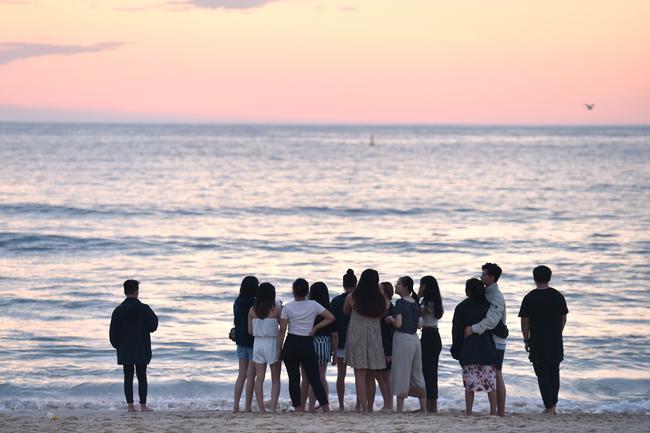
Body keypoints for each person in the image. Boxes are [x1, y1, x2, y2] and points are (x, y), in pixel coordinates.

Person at [277, 278, 334, 412]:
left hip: (291, 343)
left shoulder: (288, 307)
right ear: (307, 291)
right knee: (314, 378)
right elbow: (331, 317)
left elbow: (282, 330)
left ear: (293, 291)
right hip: (307, 343)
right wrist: (315, 329)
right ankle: (326, 408)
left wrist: (279, 348)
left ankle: (298, 408)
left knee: (294, 378)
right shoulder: (313, 305)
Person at [519, 266, 568, 415]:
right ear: (550, 277)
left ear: (534, 278)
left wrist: (526, 340)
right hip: (555, 340)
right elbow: (563, 318)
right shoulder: (558, 296)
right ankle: (552, 406)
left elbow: (525, 322)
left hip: (537, 340)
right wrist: (557, 333)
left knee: (542, 373)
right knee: (554, 372)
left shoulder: (529, 297)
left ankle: (549, 407)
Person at [451, 278, 505, 416]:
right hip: (486, 348)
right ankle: (493, 412)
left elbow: (456, 332)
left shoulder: (461, 307)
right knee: (490, 384)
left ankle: (469, 412)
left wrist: (456, 350)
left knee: (470, 385)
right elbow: (497, 327)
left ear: (468, 291)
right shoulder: (487, 306)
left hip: (468, 349)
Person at [464, 263, 508, 416]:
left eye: (484, 274)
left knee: (497, 374)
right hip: (488, 340)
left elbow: (492, 320)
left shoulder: (496, 296)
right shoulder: (486, 293)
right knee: (494, 375)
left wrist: (473, 329)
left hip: (497, 341)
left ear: (492, 277)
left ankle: (500, 412)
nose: (481, 277)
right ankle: (497, 411)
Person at [109, 279, 158, 412]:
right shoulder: (144, 308)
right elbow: (154, 325)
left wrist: (117, 345)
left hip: (125, 348)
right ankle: (143, 405)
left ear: (125, 292)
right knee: (142, 376)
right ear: (137, 291)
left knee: (128, 376)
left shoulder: (118, 310)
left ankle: (130, 406)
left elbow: (112, 332)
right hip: (141, 347)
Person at [343, 268, 387, 413]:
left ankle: (364, 408)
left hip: (357, 335)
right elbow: (382, 314)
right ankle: (370, 407)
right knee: (371, 375)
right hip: (374, 336)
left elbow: (345, 311)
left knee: (360, 374)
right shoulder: (380, 299)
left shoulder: (352, 297)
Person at [386, 276, 426, 413]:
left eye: (398, 284)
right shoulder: (415, 302)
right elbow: (420, 325)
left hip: (402, 339)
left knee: (402, 372)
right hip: (415, 339)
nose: (396, 286)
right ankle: (423, 408)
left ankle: (400, 409)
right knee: (417, 373)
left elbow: (398, 324)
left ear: (405, 287)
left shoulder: (400, 303)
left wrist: (391, 319)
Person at [300, 282, 338, 412]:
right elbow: (334, 335)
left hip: (308, 343)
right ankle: (323, 404)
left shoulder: (307, 309)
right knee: (321, 376)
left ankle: (305, 406)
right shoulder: (328, 309)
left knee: (307, 378)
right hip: (324, 343)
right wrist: (335, 353)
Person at [248, 282, 282, 413]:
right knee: (275, 379)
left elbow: (250, 331)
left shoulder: (252, 310)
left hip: (258, 344)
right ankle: (273, 408)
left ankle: (261, 408)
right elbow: (282, 327)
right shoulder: (276, 308)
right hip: (272, 343)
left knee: (259, 378)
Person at [330, 269, 357, 411]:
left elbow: (332, 322)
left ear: (343, 284)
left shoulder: (335, 301)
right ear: (356, 284)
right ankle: (360, 404)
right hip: (355, 339)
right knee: (359, 374)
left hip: (340, 340)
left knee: (341, 375)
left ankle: (341, 405)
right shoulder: (358, 299)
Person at [369, 281, 396, 412]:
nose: (377, 291)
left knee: (386, 376)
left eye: (379, 289)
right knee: (380, 376)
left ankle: (388, 404)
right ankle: (387, 403)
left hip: (388, 346)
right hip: (377, 345)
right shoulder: (378, 306)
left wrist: (389, 351)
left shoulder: (392, 308)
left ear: (385, 292)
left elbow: (391, 333)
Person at [418, 275, 443, 414]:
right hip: (434, 336)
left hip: (429, 336)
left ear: (425, 287)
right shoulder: (435, 301)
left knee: (428, 372)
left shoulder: (428, 303)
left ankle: (430, 406)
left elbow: (416, 312)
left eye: (421, 285)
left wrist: (417, 296)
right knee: (431, 372)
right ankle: (432, 405)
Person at [233, 276, 258, 412]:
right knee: (251, 375)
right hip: (253, 342)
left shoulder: (238, 301)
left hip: (240, 341)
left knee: (241, 374)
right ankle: (247, 406)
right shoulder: (254, 303)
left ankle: (236, 405)